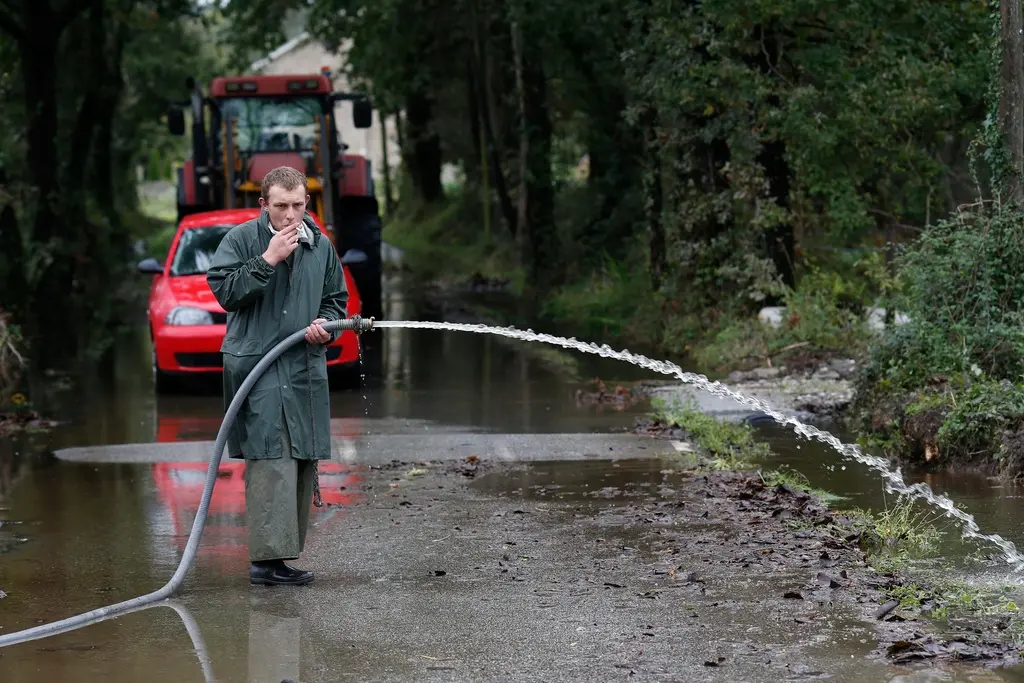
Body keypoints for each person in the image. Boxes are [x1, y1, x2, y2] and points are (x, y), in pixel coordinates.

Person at [207, 165, 349, 586]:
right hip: (257, 364)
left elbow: (336, 300)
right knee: (271, 454)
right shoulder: (241, 240)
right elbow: (224, 293)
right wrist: (268, 259)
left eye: (298, 206)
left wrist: (326, 324)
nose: (291, 216)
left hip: (302, 364)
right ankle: (264, 564)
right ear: (263, 205)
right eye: (281, 206)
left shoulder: (320, 245)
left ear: (307, 204)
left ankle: (280, 557)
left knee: (301, 456)